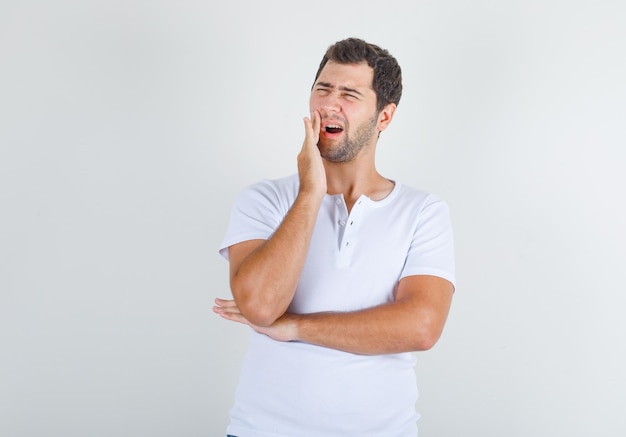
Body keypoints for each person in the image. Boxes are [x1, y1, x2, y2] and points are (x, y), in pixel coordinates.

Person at [213, 37, 455, 436]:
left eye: (349, 94)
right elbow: (259, 306)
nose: (329, 103)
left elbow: (421, 326)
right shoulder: (265, 200)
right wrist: (311, 192)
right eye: (323, 88)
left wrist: (295, 326)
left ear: (384, 117)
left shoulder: (423, 212)